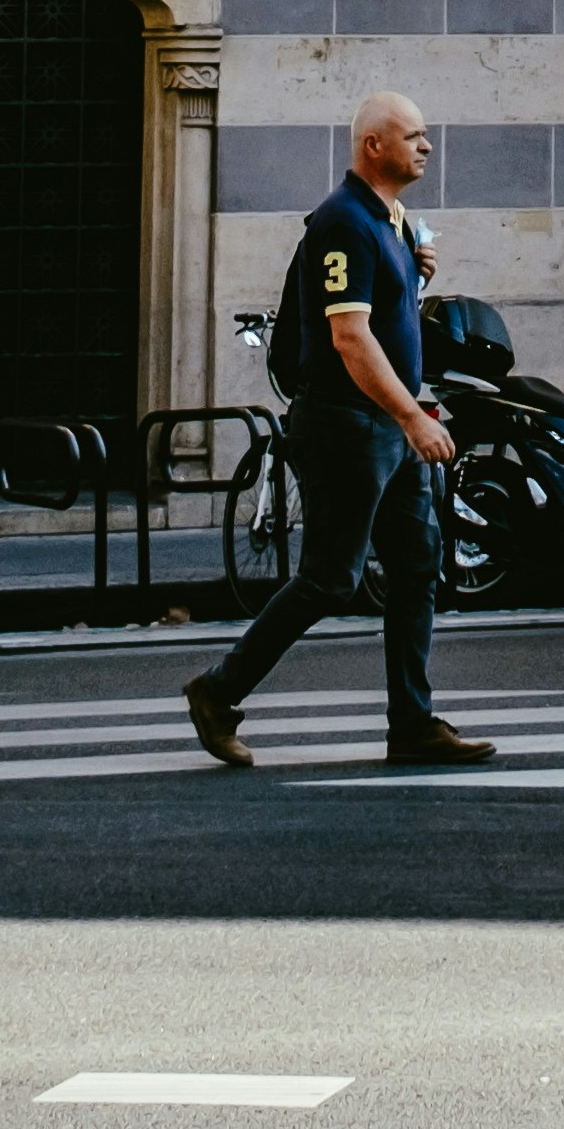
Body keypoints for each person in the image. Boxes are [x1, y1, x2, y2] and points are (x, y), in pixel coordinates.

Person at [188, 91, 495, 773]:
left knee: (418, 566)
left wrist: (410, 279)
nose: (427, 146)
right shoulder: (344, 224)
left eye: (427, 134)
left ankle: (412, 723)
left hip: (385, 424)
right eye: (413, 136)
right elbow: (350, 340)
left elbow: (380, 319)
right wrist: (415, 415)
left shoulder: (392, 222)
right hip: (345, 427)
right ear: (374, 147)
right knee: (330, 579)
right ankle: (216, 692)